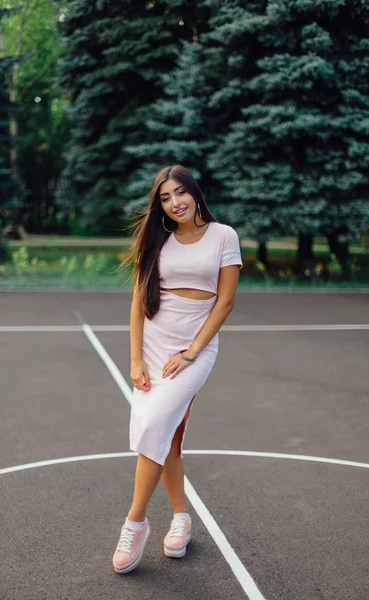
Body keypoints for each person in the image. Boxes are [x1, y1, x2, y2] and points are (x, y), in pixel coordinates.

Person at [113, 164, 243, 574]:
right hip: (153, 344)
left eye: (180, 193)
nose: (175, 203)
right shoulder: (158, 242)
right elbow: (137, 303)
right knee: (168, 435)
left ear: (195, 192)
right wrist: (135, 359)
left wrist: (191, 352)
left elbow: (224, 303)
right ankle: (182, 518)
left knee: (155, 423)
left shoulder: (224, 236)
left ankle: (135, 522)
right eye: (165, 198)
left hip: (194, 348)